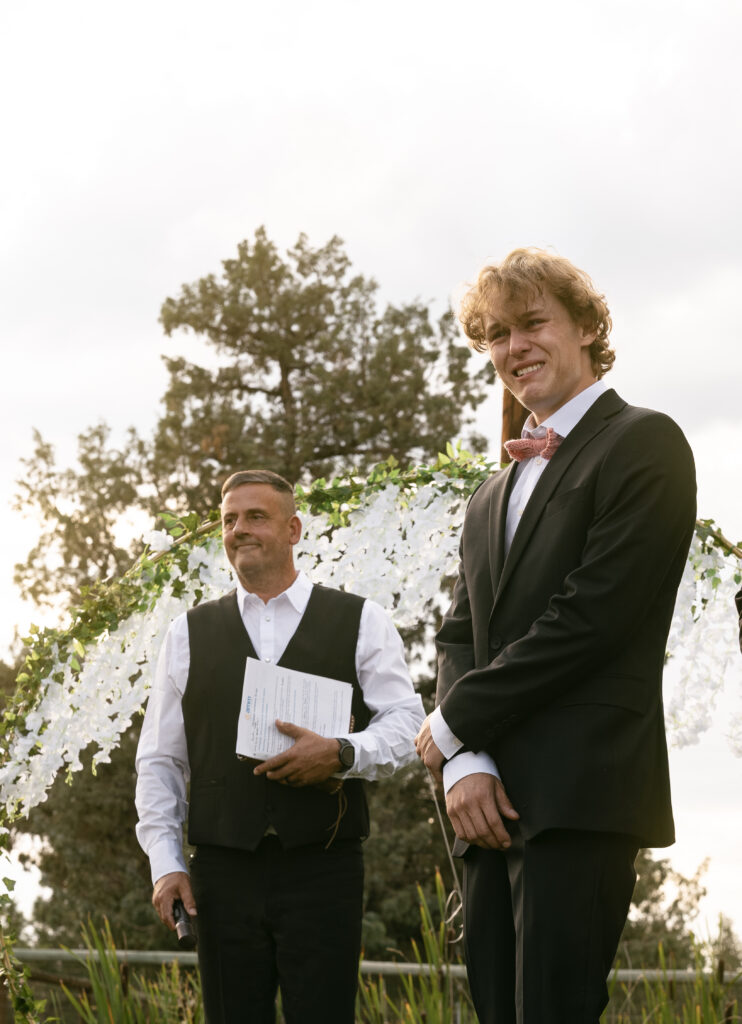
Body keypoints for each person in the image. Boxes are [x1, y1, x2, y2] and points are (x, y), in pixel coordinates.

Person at [415, 249, 696, 1024]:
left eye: (534, 322)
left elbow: (592, 617)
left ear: (587, 326)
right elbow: (459, 632)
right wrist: (463, 762)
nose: (515, 348)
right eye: (498, 334)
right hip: (484, 806)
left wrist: (452, 723)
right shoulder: (487, 494)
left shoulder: (646, 444)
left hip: (579, 794)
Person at [136, 469, 424, 1024]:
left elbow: (406, 724)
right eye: (229, 520)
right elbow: (160, 759)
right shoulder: (186, 633)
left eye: (255, 517)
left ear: (293, 529)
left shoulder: (362, 620)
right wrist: (165, 863)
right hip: (221, 870)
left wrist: (342, 752)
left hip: (325, 865)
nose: (239, 529)